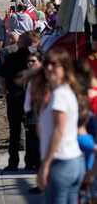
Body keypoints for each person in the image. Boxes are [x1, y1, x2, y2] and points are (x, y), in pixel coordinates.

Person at [37, 48, 84, 202]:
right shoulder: (65, 92)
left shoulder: (59, 96)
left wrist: (46, 164)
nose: (49, 68)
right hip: (74, 162)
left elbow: (59, 130)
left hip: (60, 162)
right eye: (46, 64)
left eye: (54, 64)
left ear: (64, 68)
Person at [0, 31, 40, 171]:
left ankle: (13, 162)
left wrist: (5, 92)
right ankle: (30, 162)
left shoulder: (11, 57)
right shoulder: (35, 59)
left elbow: (2, 78)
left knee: (15, 131)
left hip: (15, 97)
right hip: (31, 98)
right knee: (31, 131)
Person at [23, 51, 43, 184]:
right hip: (30, 112)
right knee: (30, 137)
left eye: (33, 61)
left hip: (39, 112)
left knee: (36, 139)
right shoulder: (29, 76)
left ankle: (38, 164)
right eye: (29, 61)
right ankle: (30, 163)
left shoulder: (42, 77)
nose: (30, 64)